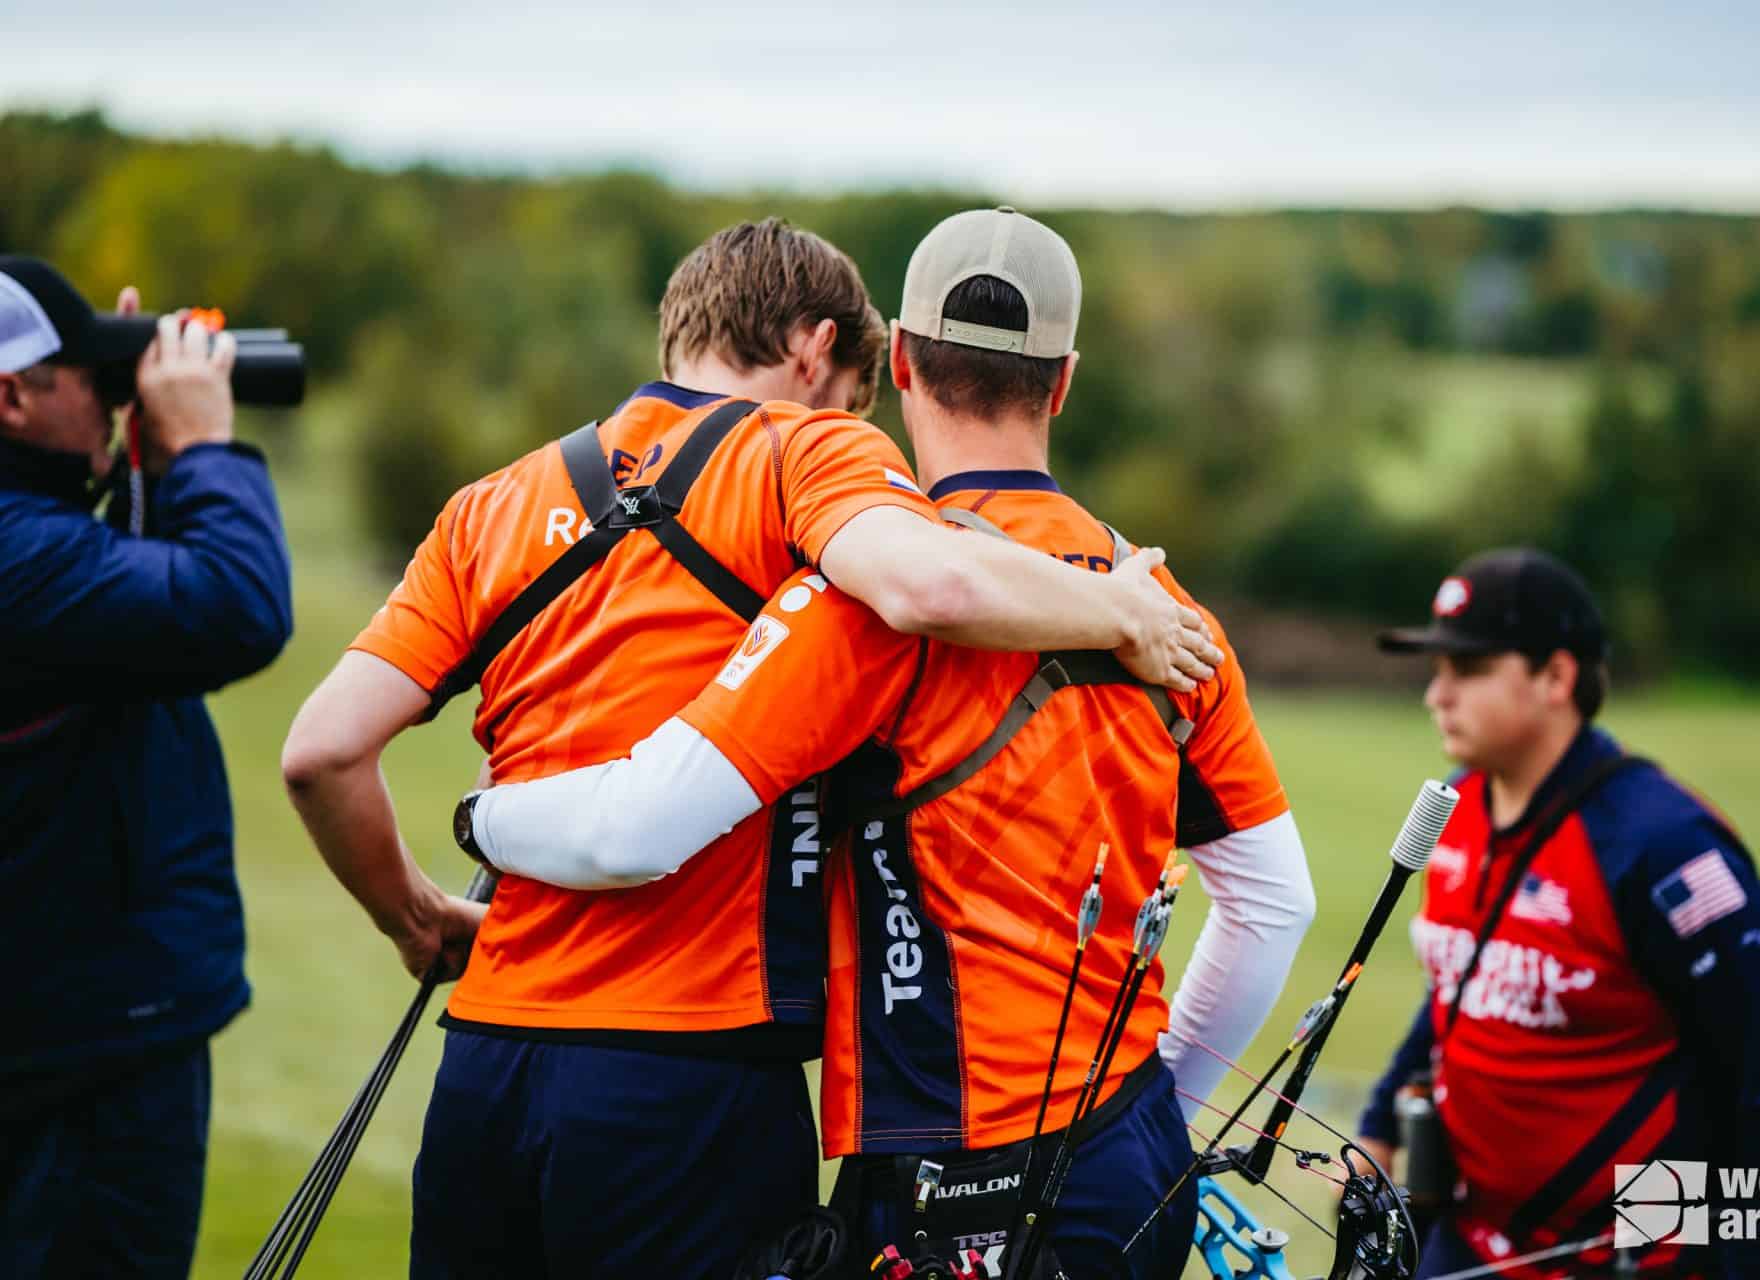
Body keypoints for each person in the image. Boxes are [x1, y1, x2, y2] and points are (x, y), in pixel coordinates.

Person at [280, 216, 1219, 1280]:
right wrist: (1117, 608)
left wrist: (415, 918)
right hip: (694, 1073)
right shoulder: (806, 449)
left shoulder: (488, 507)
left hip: (487, 1057)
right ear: (818, 353)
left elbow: (320, 751)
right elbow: (931, 582)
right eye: (858, 396)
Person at [1355, 549, 1760, 1278]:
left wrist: (1747, 1266)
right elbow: (1459, 987)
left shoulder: (1660, 843)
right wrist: (1383, 1119)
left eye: (1470, 670)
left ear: (1557, 677)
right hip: (1467, 1239)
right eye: (1436, 669)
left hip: (1626, 1255)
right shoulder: (1455, 810)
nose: (1436, 695)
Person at [0, 256, 294, 1277]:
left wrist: (133, 467)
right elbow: (232, 609)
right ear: (12, 395)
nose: (116, 387)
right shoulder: (17, 553)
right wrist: (203, 446)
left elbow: (124, 629)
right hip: (80, 1054)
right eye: (92, 371)